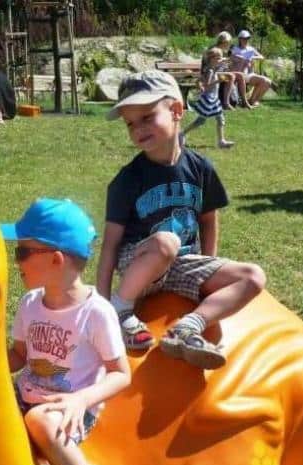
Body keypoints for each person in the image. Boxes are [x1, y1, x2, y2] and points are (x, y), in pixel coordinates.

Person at [0, 197, 130, 465]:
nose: (16, 260)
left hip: (71, 407)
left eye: (23, 252)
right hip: (28, 394)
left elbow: (121, 373)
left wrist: (81, 399)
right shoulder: (29, 304)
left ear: (56, 260)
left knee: (40, 420)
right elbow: (19, 355)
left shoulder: (96, 312)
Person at [99, 70, 266, 370]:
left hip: (182, 264)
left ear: (176, 110)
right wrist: (101, 306)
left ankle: (187, 328)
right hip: (139, 264)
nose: (137, 129)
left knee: (253, 276)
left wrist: (209, 265)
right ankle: (121, 311)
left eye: (147, 117)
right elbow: (110, 246)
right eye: (130, 124)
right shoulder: (127, 180)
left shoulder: (200, 167)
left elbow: (208, 219)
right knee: (166, 242)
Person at [183, 47, 235, 148]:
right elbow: (207, 84)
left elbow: (201, 79)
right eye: (218, 58)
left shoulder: (211, 68)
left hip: (213, 98)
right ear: (212, 59)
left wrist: (226, 60)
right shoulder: (210, 70)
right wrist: (219, 81)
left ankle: (221, 141)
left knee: (220, 118)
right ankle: (182, 134)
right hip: (208, 99)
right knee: (201, 121)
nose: (221, 60)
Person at [230, 30, 272, 107]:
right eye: (243, 38)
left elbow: (261, 57)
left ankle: (253, 100)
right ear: (240, 39)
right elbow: (231, 58)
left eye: (247, 38)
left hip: (249, 74)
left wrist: (252, 57)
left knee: (267, 82)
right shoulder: (235, 49)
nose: (245, 40)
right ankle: (249, 101)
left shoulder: (251, 49)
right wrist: (240, 59)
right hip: (238, 73)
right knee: (243, 75)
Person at [212, 31, 251, 110]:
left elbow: (226, 63)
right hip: (213, 75)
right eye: (228, 43)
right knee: (230, 76)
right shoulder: (215, 50)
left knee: (240, 75)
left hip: (221, 73)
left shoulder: (224, 51)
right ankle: (226, 103)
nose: (229, 45)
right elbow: (212, 65)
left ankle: (244, 101)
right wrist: (224, 61)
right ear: (224, 42)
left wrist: (232, 60)